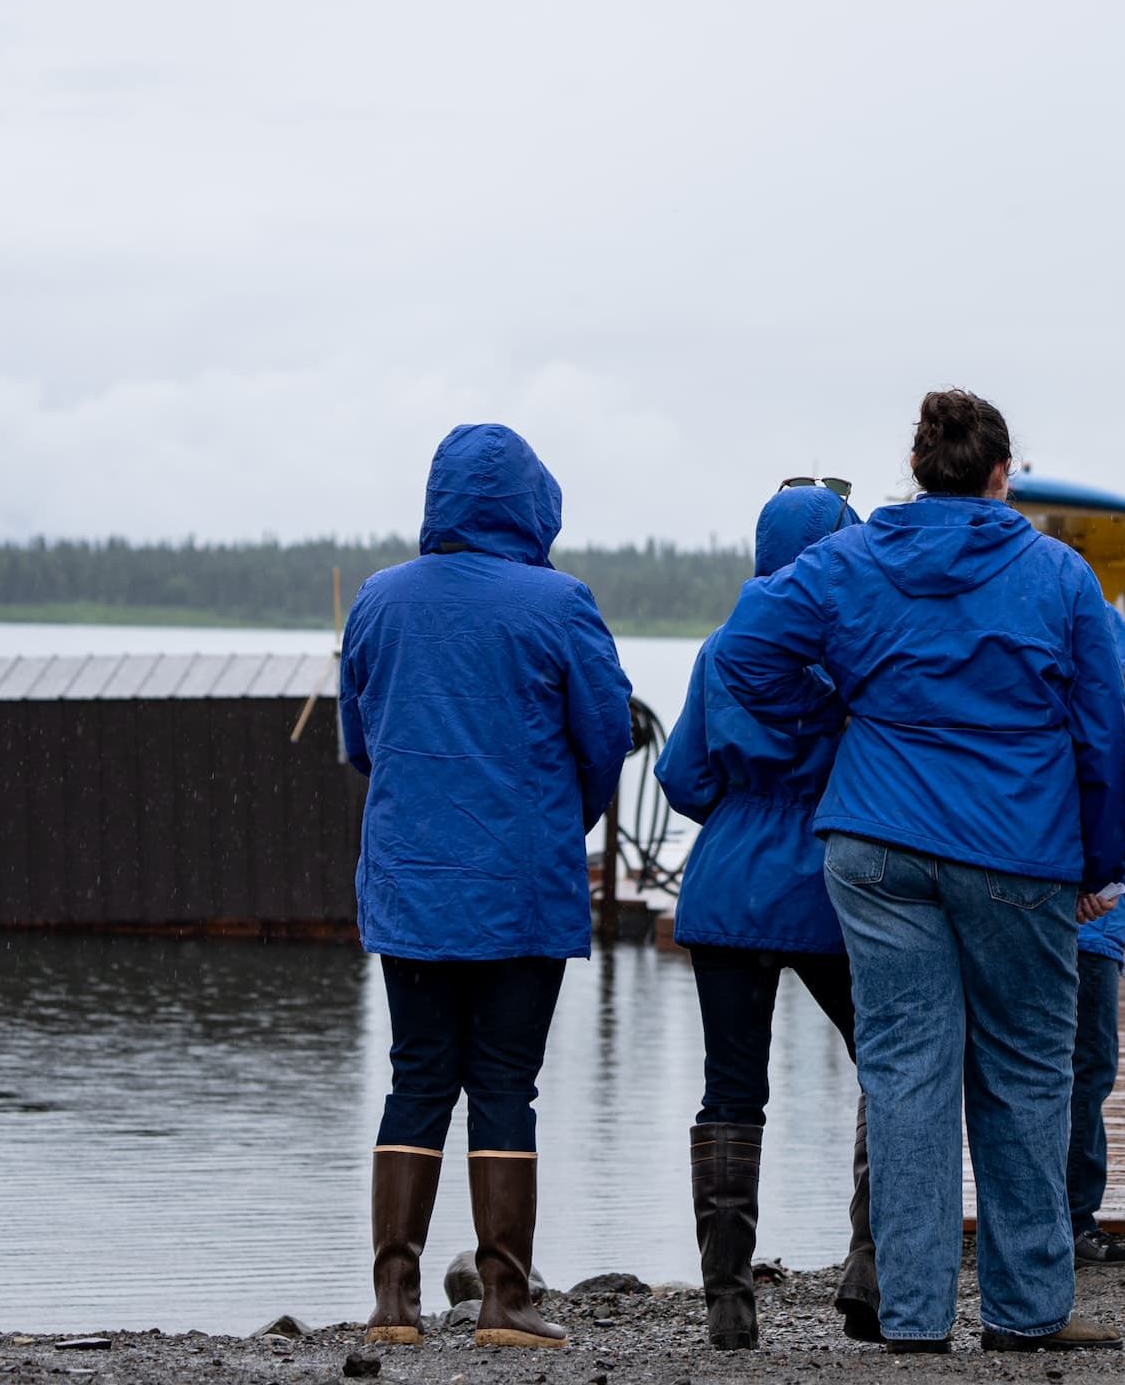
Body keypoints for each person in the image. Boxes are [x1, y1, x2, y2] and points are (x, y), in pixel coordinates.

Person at [712, 389, 1125, 1354]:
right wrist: (1105, 859)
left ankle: (912, 1315)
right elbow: (1103, 733)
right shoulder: (1060, 578)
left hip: (876, 841)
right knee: (1028, 1070)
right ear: (1000, 476)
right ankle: (1027, 1311)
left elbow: (742, 654)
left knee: (905, 1073)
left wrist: (846, 718)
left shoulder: (849, 560)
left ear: (919, 469)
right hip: (1015, 850)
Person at [341, 423, 634, 1351]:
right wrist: (560, 819)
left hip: (411, 885)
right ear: (532, 502)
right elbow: (607, 737)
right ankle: (506, 1301)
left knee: (416, 1077)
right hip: (521, 888)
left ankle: (395, 1303)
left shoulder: (379, 600)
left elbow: (360, 741)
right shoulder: (560, 603)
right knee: (506, 1081)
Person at [655, 478, 877, 1349]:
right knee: (888, 1070)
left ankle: (728, 1297)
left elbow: (681, 779)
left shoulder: (723, 649)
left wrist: (747, 798)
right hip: (832, 886)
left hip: (728, 890)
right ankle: (872, 1264)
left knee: (731, 1092)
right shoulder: (860, 654)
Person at [1068, 684, 1125, 1269]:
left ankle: (1022, 1216)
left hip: (1013, 902)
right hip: (1088, 923)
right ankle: (1074, 1219)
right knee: (1087, 1069)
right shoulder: (1114, 711)